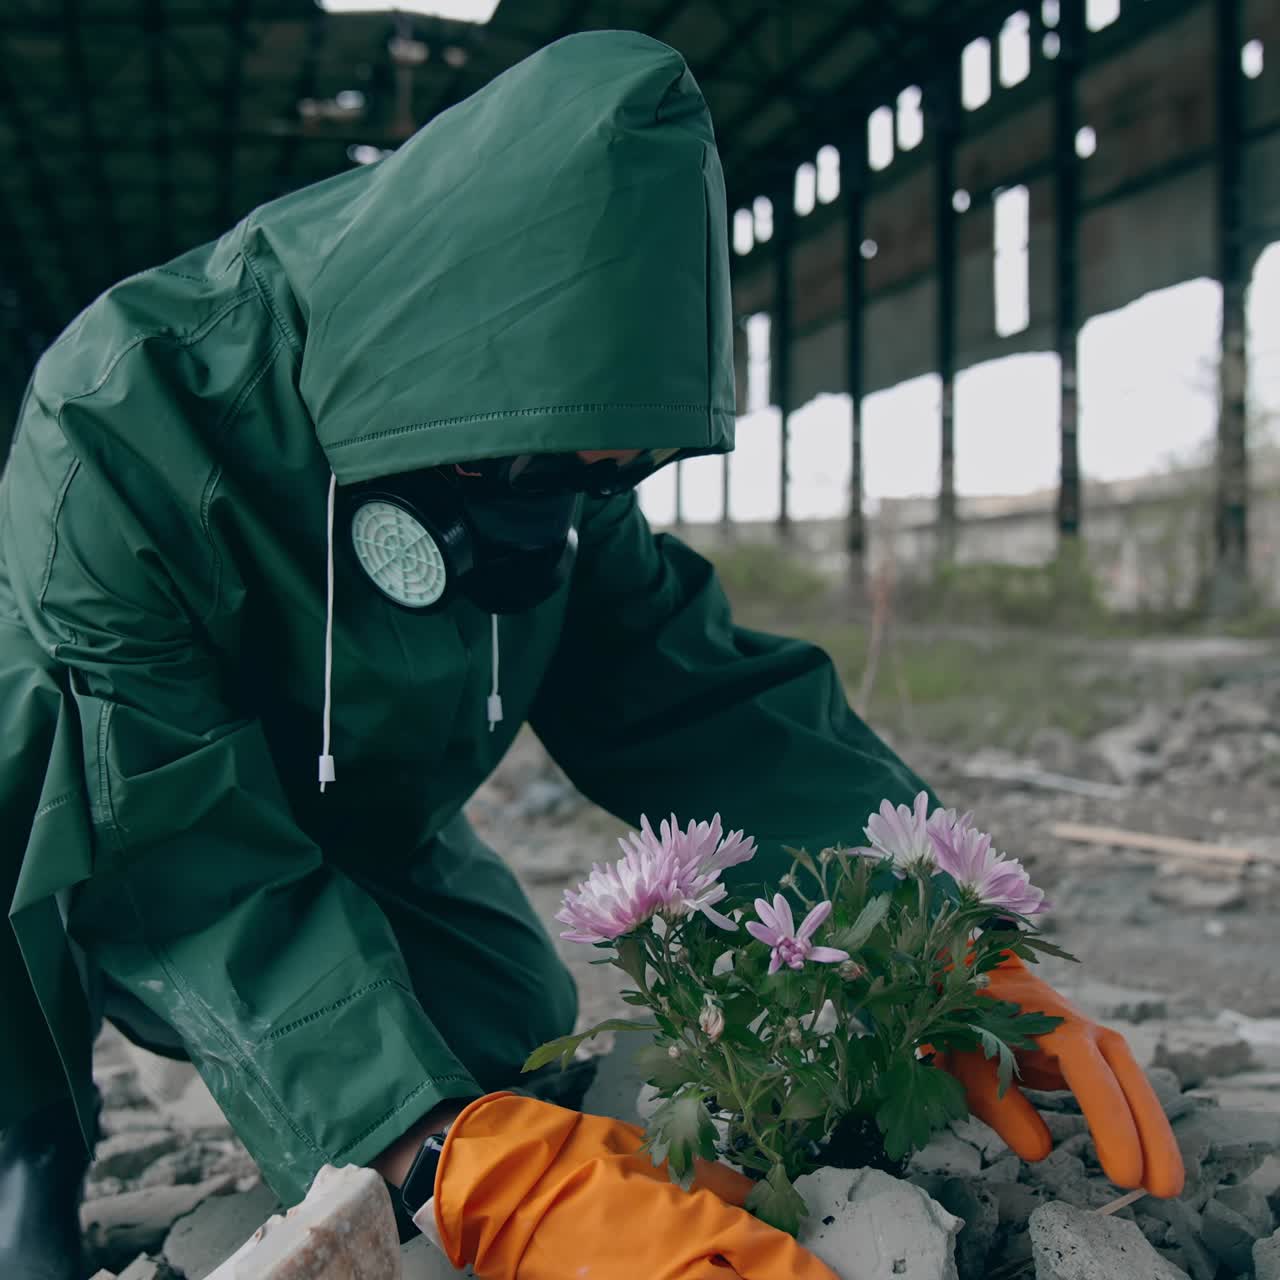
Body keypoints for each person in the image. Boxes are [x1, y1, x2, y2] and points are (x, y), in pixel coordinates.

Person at [0, 31, 1183, 1280]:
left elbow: (691, 698)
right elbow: (182, 849)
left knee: (504, 1015)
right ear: (422, 385)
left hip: (342, 787)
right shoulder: (125, 419)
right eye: (512, 471)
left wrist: (927, 930)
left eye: (602, 475)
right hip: (104, 779)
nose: (562, 504)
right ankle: (27, 1139)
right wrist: (438, 1157)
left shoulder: (555, 454)